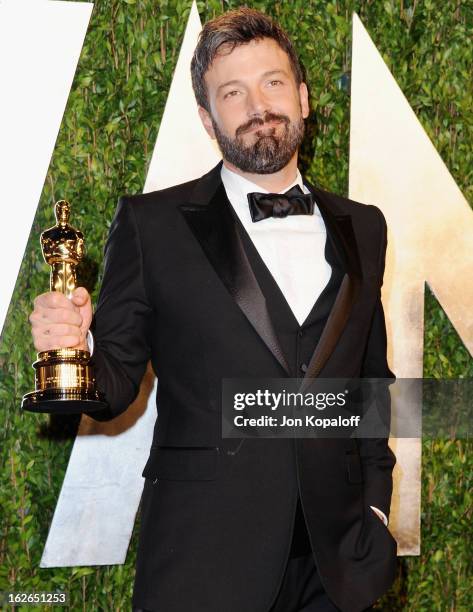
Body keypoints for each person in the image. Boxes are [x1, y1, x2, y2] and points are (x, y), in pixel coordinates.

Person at [29, 8, 397, 612]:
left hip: (339, 572)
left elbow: (371, 385)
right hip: (205, 564)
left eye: (274, 82)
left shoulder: (365, 226)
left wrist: (377, 508)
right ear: (207, 118)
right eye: (233, 92)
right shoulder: (152, 227)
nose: (258, 105)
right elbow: (118, 382)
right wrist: (79, 348)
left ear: (303, 98)